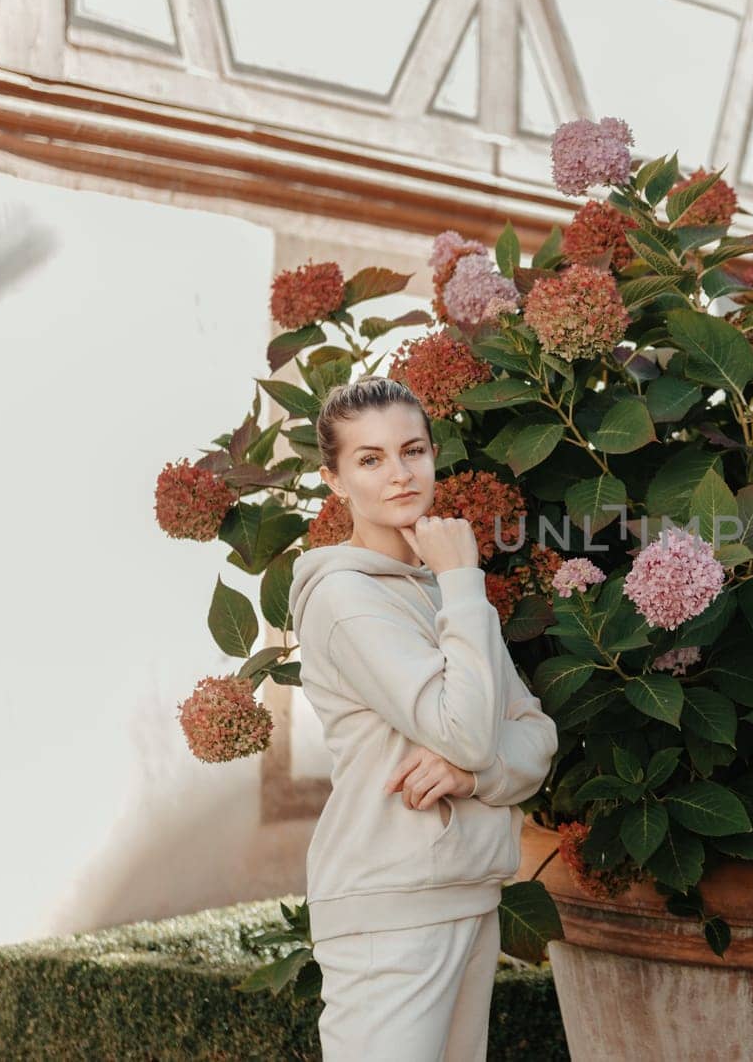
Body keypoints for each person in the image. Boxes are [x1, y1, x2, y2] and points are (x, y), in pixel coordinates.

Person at [287, 375, 558, 1060]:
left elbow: (535, 733)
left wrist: (476, 778)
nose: (400, 474)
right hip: (389, 910)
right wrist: (465, 581)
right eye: (370, 459)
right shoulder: (345, 598)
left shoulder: (442, 591)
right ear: (336, 480)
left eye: (413, 451)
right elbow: (466, 728)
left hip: (469, 896)